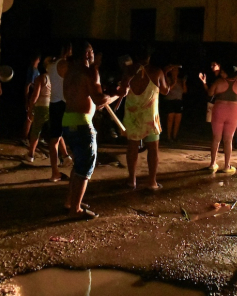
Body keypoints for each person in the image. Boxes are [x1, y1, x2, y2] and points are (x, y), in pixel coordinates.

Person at [62, 42, 126, 219]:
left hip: (68, 121)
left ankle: (71, 201)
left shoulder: (70, 71)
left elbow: (89, 98)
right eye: (92, 52)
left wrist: (110, 93)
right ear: (88, 54)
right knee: (85, 167)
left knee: (78, 165)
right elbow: (99, 100)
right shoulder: (90, 71)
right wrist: (118, 94)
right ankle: (75, 210)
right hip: (82, 125)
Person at [122, 47, 171, 190]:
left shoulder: (129, 71)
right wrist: (166, 74)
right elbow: (165, 91)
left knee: (132, 148)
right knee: (153, 150)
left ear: (136, 56)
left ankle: (132, 180)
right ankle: (152, 181)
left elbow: (122, 88)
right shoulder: (157, 72)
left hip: (132, 115)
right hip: (150, 116)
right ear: (149, 57)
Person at [207, 65, 237, 173]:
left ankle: (212, 163)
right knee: (228, 140)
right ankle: (227, 166)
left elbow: (210, 93)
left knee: (216, 138)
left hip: (219, 109)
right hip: (233, 111)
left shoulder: (219, 82)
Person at [47, 42, 74, 182]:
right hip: (64, 103)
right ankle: (76, 170)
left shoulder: (50, 65)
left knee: (55, 138)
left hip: (54, 102)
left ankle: (55, 171)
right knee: (73, 135)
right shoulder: (64, 64)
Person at [24, 61, 50, 162]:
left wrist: (30, 109)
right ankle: (65, 156)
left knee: (36, 130)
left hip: (41, 106)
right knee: (55, 132)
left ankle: (31, 154)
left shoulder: (41, 78)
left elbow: (35, 96)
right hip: (51, 106)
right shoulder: (56, 79)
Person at [21, 51, 41, 145]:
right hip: (32, 95)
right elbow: (28, 85)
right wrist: (27, 99)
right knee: (29, 118)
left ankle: (29, 137)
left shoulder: (35, 70)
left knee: (32, 118)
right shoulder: (33, 70)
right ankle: (24, 137)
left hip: (35, 95)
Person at [163, 65, 187, 143]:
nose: (176, 71)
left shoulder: (180, 80)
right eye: (174, 70)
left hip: (178, 101)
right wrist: (174, 82)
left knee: (177, 119)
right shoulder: (167, 79)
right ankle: (168, 137)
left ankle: (175, 136)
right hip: (170, 101)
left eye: (177, 70)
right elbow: (167, 89)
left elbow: (184, 91)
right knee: (170, 119)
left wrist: (183, 83)